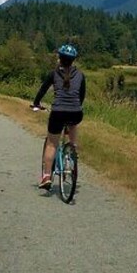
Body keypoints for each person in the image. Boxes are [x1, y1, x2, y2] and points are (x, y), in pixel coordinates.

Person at [31, 44, 86, 190]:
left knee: (52, 144)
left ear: (59, 58)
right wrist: (76, 106)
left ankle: (47, 176)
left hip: (58, 112)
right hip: (76, 112)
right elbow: (81, 96)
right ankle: (73, 148)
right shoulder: (80, 75)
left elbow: (42, 90)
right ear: (73, 60)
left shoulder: (54, 74)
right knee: (73, 123)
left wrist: (36, 103)